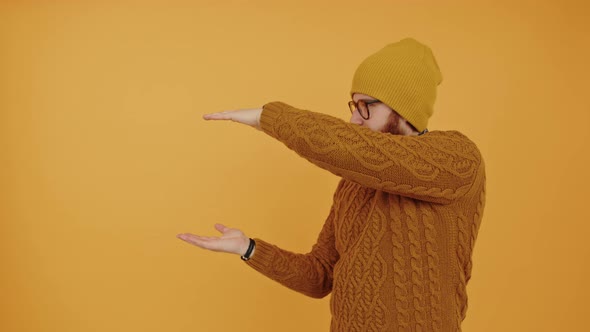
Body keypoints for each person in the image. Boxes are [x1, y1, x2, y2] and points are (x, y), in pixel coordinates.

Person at [177, 38, 486, 332]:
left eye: (365, 106)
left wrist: (268, 118)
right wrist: (248, 248)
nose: (354, 119)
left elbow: (357, 150)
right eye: (352, 106)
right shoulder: (354, 182)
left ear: (401, 107)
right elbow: (320, 275)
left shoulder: (456, 158)